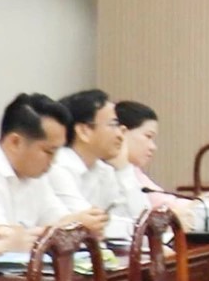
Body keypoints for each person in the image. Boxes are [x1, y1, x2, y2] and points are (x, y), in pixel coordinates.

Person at [0, 93, 91, 255]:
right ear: (15, 142)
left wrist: (79, 224)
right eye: (48, 151)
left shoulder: (35, 176)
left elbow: (58, 220)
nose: (53, 161)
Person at [48, 89, 150, 223]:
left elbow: (143, 220)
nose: (120, 134)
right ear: (84, 131)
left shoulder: (103, 170)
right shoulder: (57, 166)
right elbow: (90, 224)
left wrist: (123, 168)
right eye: (113, 124)